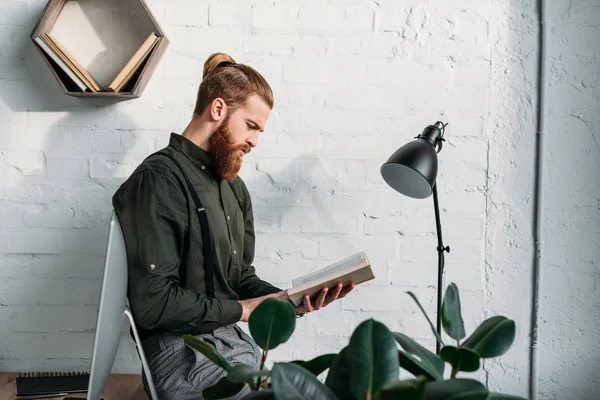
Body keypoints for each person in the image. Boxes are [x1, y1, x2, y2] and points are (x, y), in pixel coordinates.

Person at [112, 52, 355, 399]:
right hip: (180, 355)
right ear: (218, 110)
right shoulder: (159, 180)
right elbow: (153, 304)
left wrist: (289, 300)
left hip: (233, 348)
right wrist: (241, 310)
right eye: (252, 126)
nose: (255, 141)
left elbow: (238, 279)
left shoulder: (234, 188)